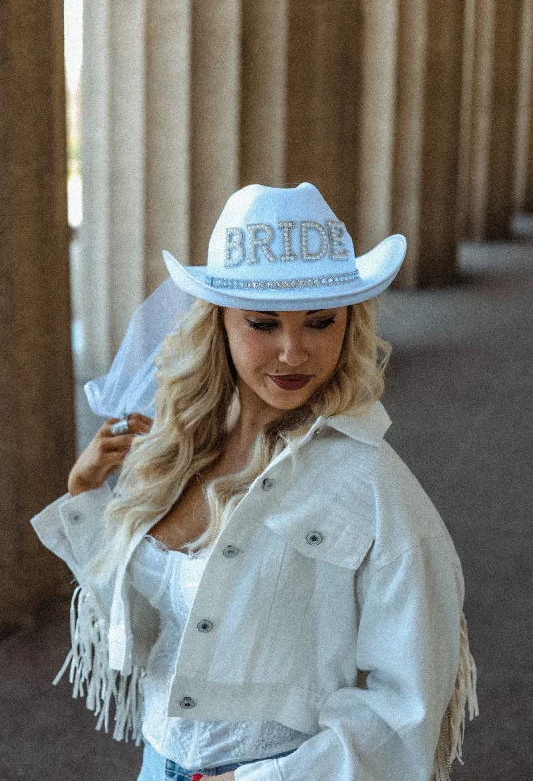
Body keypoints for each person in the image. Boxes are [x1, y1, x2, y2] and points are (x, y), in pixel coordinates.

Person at [31, 183, 478, 781]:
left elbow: (410, 702)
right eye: (263, 324)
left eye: (320, 323)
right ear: (219, 325)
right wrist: (88, 500)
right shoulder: (181, 451)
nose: (293, 352)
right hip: (156, 763)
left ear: (349, 324)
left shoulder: (371, 484)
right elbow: (143, 626)